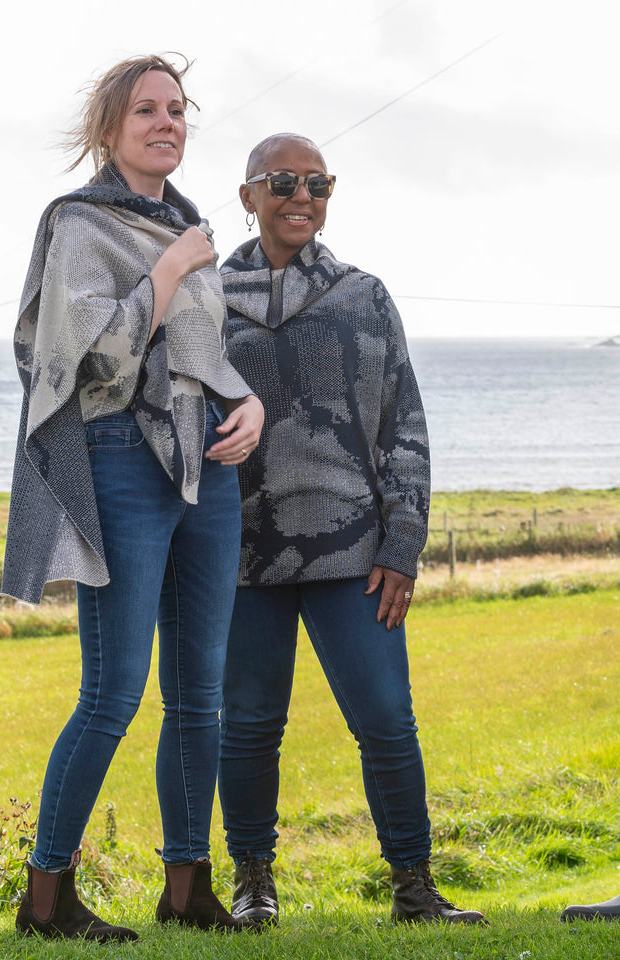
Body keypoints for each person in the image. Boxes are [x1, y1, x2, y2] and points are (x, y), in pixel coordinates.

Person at [1, 55, 265, 942]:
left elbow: (201, 355)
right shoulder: (83, 224)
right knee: (113, 691)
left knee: (202, 693)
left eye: (177, 110)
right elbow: (93, 365)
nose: (166, 123)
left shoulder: (183, 221)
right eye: (146, 110)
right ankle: (46, 897)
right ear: (110, 128)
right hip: (119, 458)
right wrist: (168, 272)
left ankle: (186, 886)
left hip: (208, 466)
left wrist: (249, 401)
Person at [217, 133, 486, 926]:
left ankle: (413, 887)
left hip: (354, 551)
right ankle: (254, 887)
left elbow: (404, 427)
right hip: (240, 553)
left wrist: (403, 546)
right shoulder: (204, 296)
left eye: (319, 185)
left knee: (385, 720)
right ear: (248, 195)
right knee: (251, 726)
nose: (303, 198)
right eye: (284, 183)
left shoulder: (363, 295)